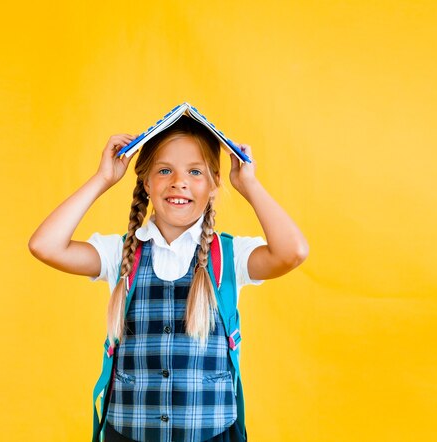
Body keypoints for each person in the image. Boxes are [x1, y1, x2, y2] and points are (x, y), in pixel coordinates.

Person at [28, 115, 309, 442]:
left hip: (211, 432)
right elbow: (44, 245)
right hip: (130, 432)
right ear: (146, 183)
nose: (179, 181)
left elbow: (293, 252)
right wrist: (103, 178)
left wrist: (250, 185)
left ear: (214, 183)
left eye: (195, 171)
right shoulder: (118, 253)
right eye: (164, 171)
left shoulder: (230, 256)